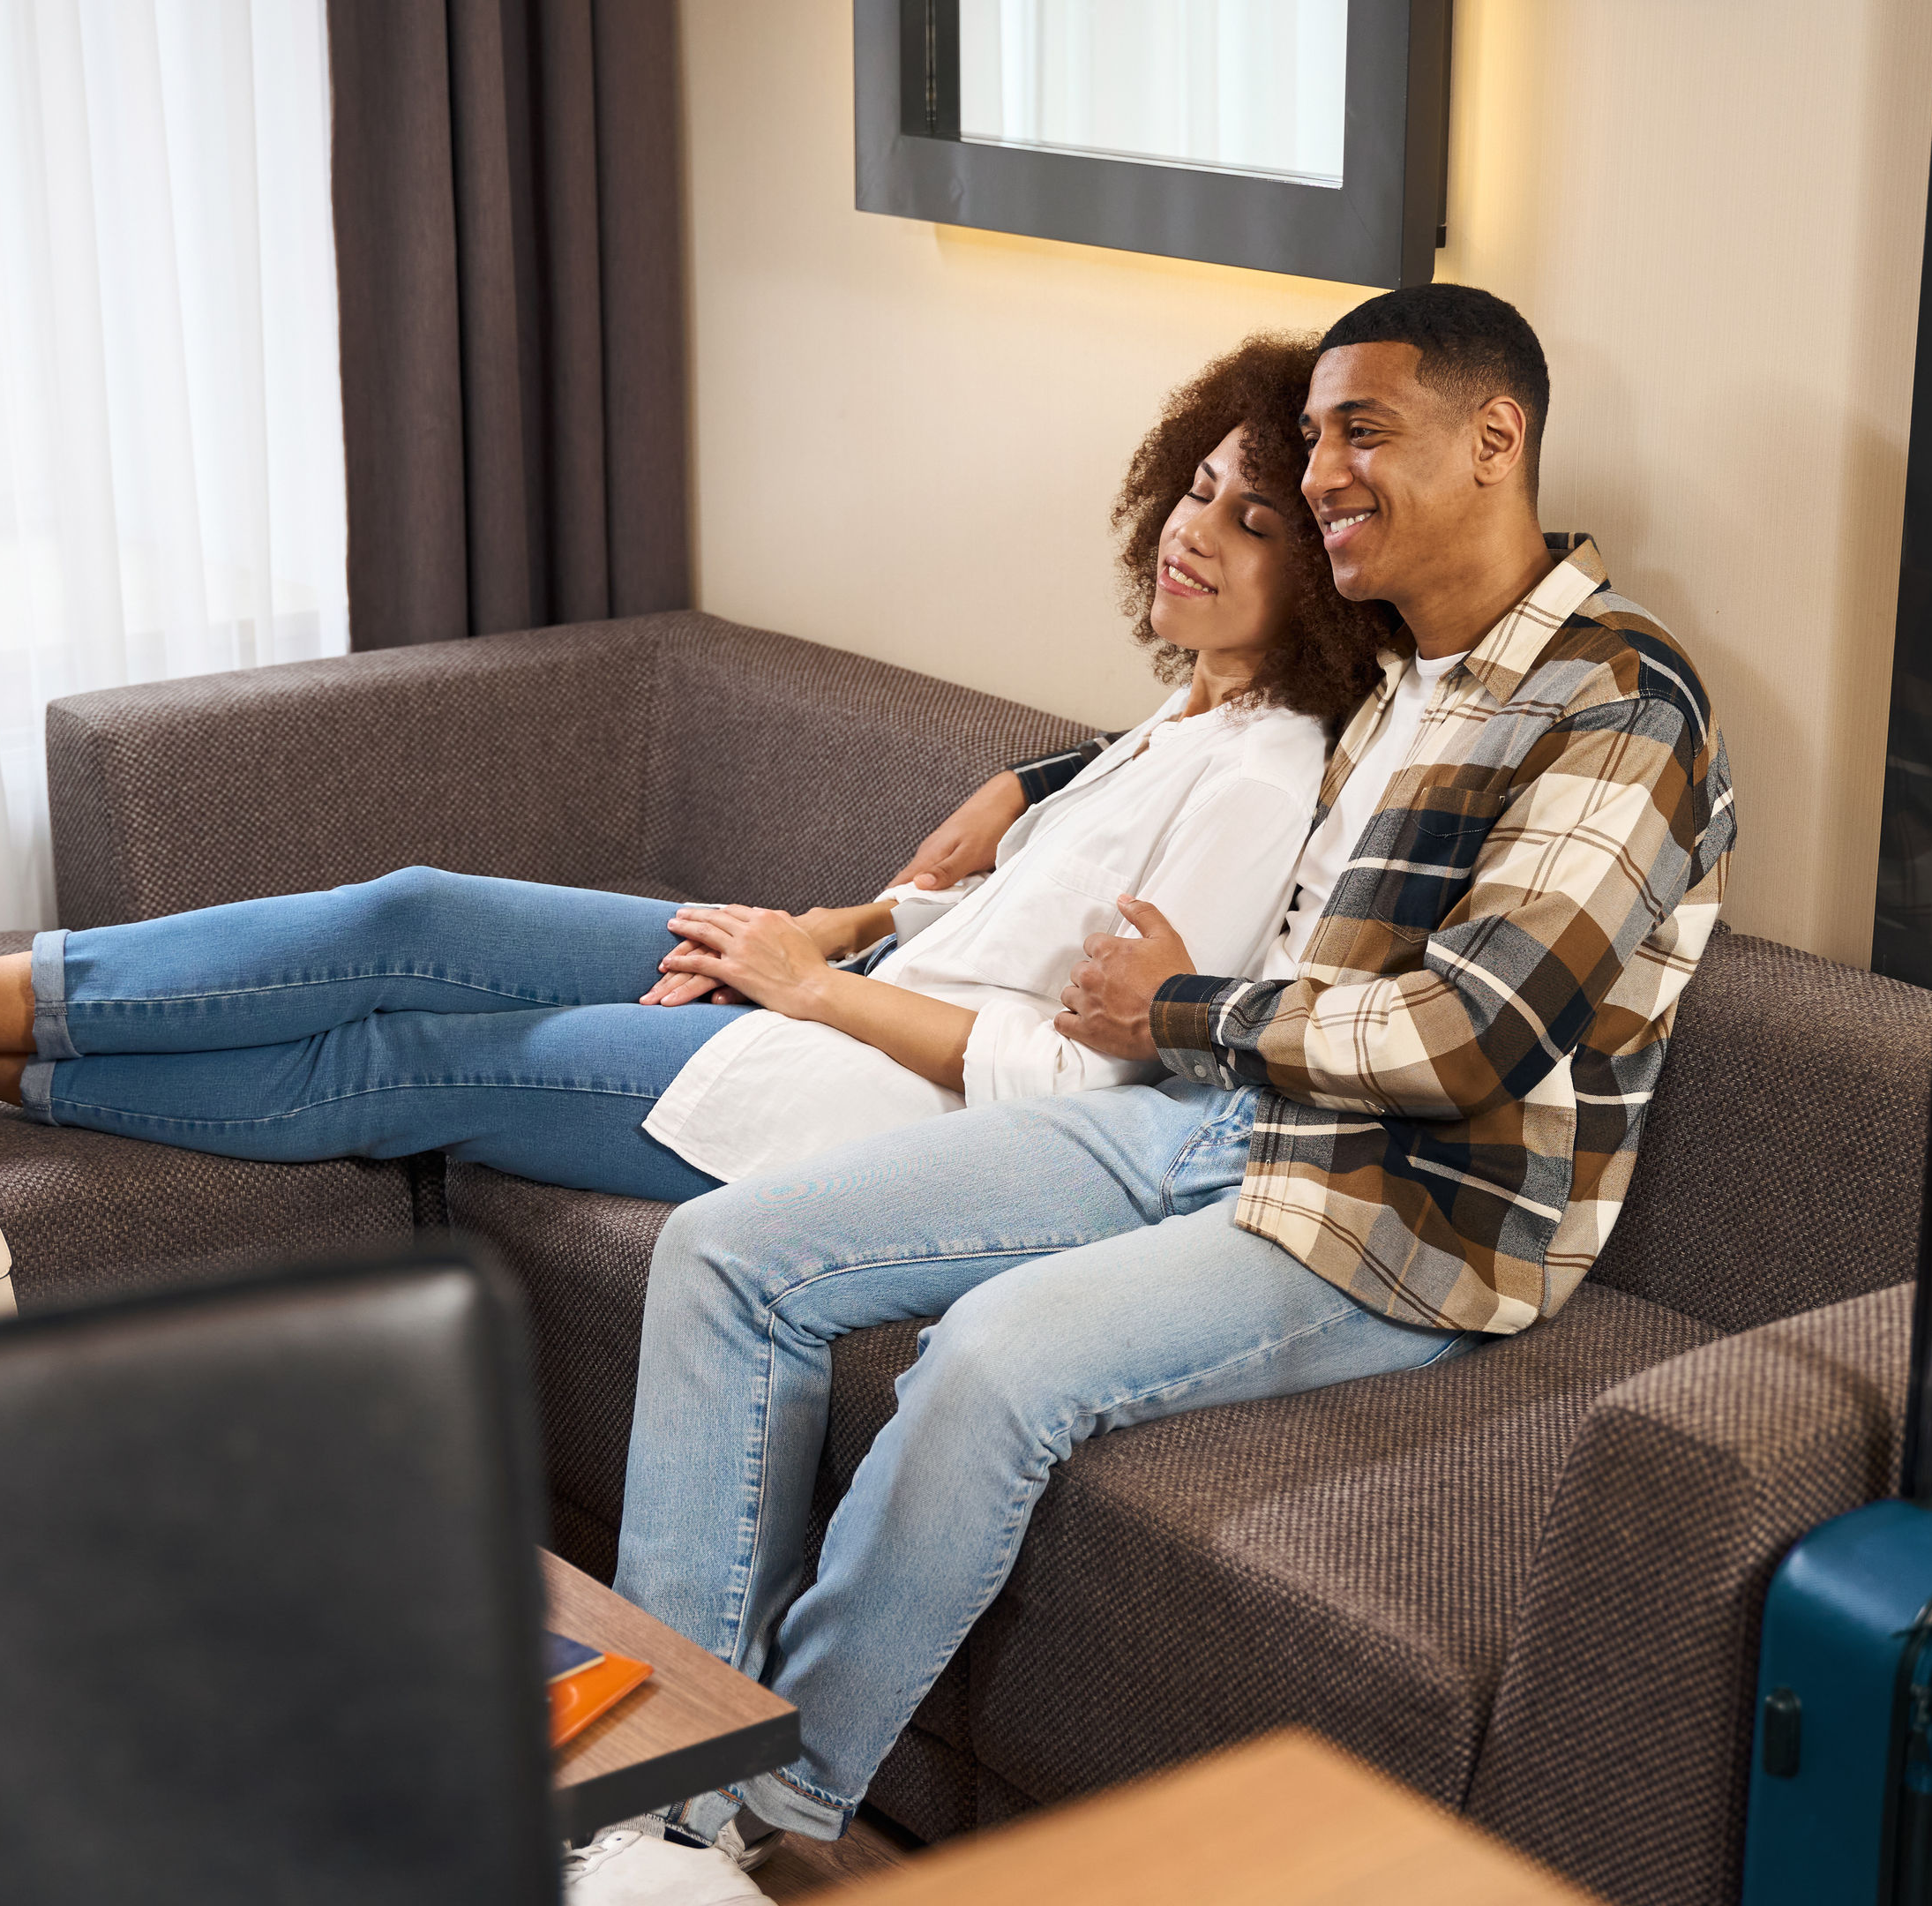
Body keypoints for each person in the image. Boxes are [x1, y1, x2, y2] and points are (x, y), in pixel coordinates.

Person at [585, 285, 1734, 1902]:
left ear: (1499, 440)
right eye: (1317, 437)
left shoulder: (1622, 706)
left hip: (1402, 1218)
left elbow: (1473, 1035)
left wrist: (1182, 1005)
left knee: (990, 1362)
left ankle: (744, 1821)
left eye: (1361, 433)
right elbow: (1215, 723)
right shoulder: (1405, 659)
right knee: (727, 1257)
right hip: (1213, 1122)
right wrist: (1022, 786)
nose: (1326, 471)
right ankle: (655, 1786)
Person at [0, 339, 1389, 1203]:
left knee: (404, 1059)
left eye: (1258, 521)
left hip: (837, 1101)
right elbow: (1008, 917)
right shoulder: (1181, 729)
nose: (1199, 535)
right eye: (1203, 489)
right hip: (824, 987)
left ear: (1320, 572)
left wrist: (808, 987)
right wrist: (864, 911)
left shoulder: (1259, 781)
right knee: (408, 907)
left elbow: (1085, 1078)